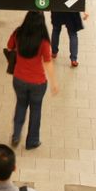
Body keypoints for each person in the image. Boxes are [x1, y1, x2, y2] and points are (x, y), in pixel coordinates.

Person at [6, 11, 59, 149]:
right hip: (38, 83)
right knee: (36, 110)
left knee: (21, 105)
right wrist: (54, 83)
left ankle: (16, 135)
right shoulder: (43, 41)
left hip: (19, 79)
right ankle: (32, 141)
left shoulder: (18, 33)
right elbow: (48, 62)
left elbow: (9, 46)